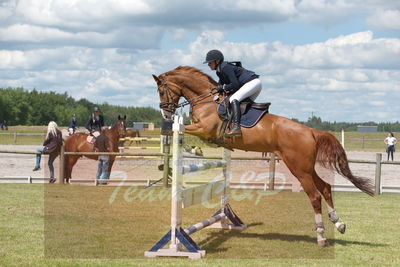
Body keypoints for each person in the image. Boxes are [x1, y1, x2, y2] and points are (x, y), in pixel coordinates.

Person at [203, 49, 262, 137]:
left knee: (234, 99)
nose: (208, 64)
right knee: (241, 105)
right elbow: (221, 85)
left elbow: (235, 84)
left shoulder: (225, 67)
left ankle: (236, 128)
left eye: (210, 62)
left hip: (252, 83)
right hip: (253, 84)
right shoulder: (219, 71)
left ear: (217, 61)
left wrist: (224, 87)